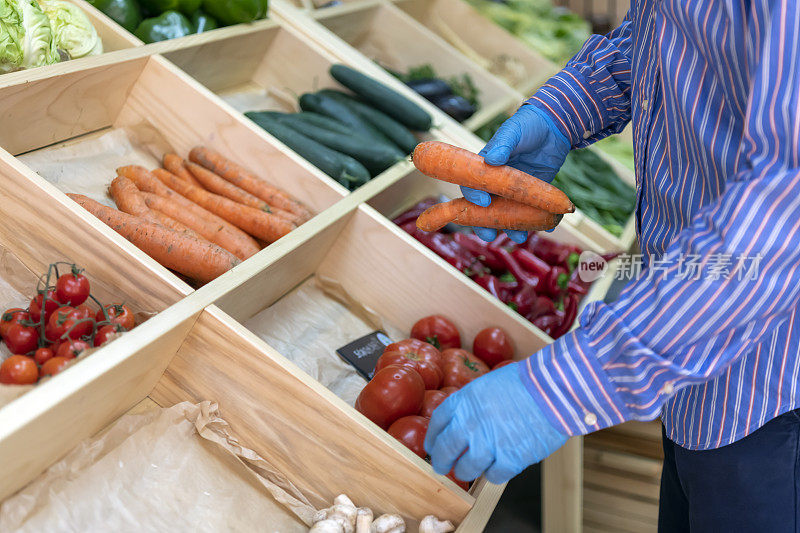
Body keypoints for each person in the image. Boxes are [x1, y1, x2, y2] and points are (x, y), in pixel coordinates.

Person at [423, 1, 800, 531]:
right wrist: (565, 109)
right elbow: (669, 36)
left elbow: (785, 218)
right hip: (691, 362)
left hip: (771, 391)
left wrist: (566, 387)